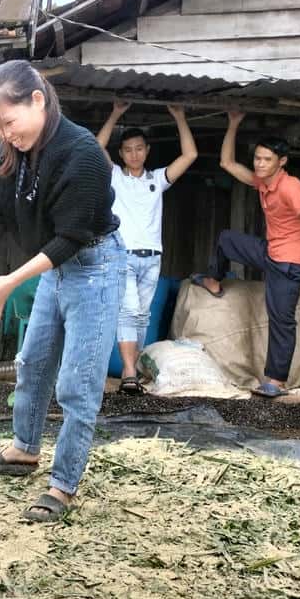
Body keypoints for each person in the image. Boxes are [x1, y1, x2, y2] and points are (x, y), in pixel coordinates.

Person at [0, 60, 125, 523]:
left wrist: (8, 283)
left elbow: (70, 238)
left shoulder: (81, 154)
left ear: (38, 101)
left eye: (10, 121)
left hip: (94, 265)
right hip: (56, 268)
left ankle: (63, 485)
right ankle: (24, 449)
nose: (4, 133)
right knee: (32, 362)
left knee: (77, 382)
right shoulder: (7, 155)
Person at [191, 111, 300, 398]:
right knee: (227, 239)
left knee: (281, 321)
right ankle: (214, 280)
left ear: (282, 162)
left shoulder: (291, 187)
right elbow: (227, 163)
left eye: (267, 160)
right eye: (258, 158)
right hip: (271, 252)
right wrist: (233, 123)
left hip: (289, 263)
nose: (261, 163)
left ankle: (275, 382)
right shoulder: (264, 181)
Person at [96, 102, 198, 394]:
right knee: (127, 312)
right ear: (121, 154)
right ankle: (129, 371)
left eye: (139, 148)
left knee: (142, 316)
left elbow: (190, 155)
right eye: (128, 149)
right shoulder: (115, 176)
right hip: (122, 256)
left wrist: (179, 116)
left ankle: (135, 369)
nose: (134, 154)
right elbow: (95, 146)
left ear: (147, 150)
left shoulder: (157, 179)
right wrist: (114, 113)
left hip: (152, 259)